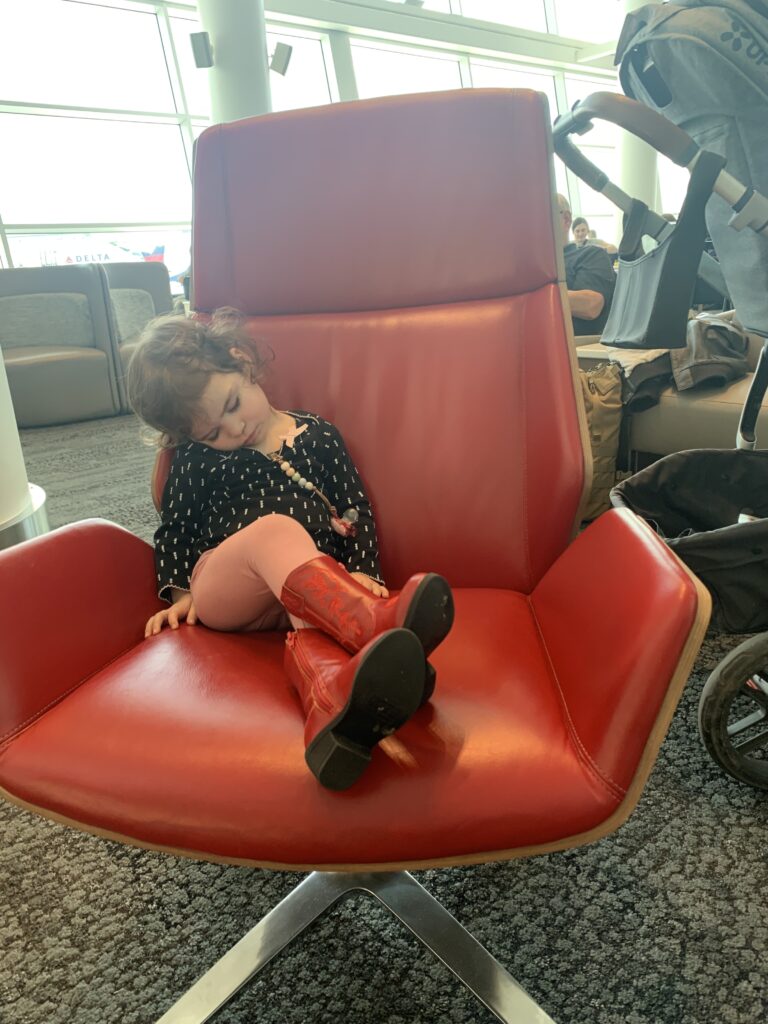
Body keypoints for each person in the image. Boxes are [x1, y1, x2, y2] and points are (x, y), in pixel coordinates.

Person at [126, 308, 454, 791]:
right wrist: (180, 594)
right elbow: (175, 528)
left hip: (305, 595)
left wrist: (364, 570)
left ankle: (332, 701)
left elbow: (354, 507)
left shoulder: (318, 435)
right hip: (228, 588)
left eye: (233, 405)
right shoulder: (196, 460)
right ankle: (371, 625)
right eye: (212, 432)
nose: (232, 431)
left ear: (242, 363)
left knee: (318, 592)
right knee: (276, 530)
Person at [556, 194, 616, 336]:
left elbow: (591, 305)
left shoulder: (590, 255)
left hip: (577, 349)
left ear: (565, 219)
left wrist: (532, 296)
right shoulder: (527, 268)